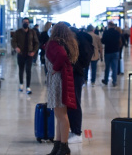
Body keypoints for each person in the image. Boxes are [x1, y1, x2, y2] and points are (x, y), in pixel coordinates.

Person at [45, 23, 78, 155]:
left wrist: (54, 68)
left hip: (58, 81)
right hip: (62, 79)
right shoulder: (67, 43)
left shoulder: (54, 43)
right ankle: (58, 145)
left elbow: (62, 56)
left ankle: (64, 147)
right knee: (59, 115)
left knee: (61, 115)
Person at [68, 25, 93, 144]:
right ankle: (74, 129)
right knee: (73, 103)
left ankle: (77, 132)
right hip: (76, 74)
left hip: (75, 75)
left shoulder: (76, 42)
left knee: (75, 103)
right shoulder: (79, 40)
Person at [11, 18, 39, 94]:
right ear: (22, 23)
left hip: (29, 54)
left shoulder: (32, 32)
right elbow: (13, 41)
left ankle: (28, 87)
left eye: (27, 22)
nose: (25, 23)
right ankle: (21, 84)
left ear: (28, 23)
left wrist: (34, 51)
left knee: (28, 70)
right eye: (24, 22)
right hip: (21, 54)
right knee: (21, 69)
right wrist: (16, 47)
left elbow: (36, 43)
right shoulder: (18, 32)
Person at [101, 22, 121, 87]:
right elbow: (119, 41)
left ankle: (106, 80)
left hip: (108, 51)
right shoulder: (117, 33)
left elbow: (103, 41)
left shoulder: (106, 32)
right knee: (114, 67)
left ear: (109, 25)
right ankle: (114, 81)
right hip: (115, 51)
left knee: (107, 67)